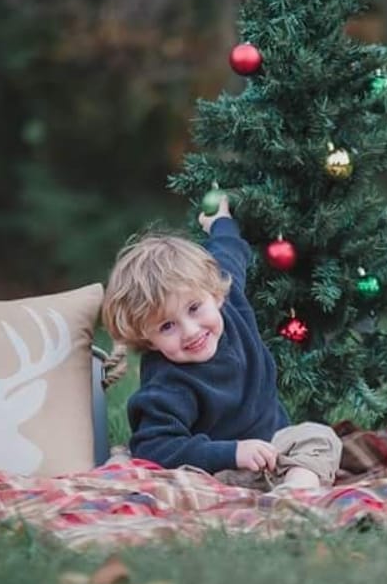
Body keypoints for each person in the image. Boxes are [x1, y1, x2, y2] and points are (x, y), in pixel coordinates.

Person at [101, 196, 342, 490]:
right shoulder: (167, 381)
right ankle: (290, 493)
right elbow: (155, 446)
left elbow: (227, 252)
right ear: (147, 340)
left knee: (318, 437)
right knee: (161, 473)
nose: (190, 331)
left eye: (193, 308)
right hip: (215, 470)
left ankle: (296, 491)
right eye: (167, 326)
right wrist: (233, 452)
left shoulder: (230, 301)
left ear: (215, 294)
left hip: (275, 449)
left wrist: (220, 221)